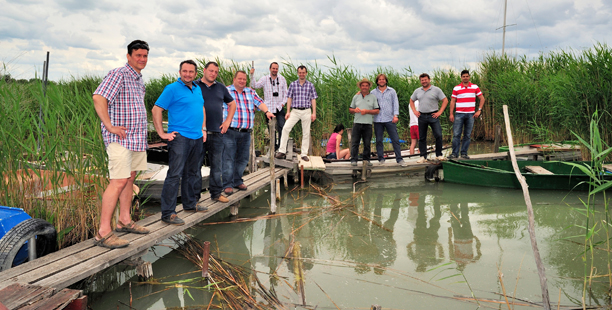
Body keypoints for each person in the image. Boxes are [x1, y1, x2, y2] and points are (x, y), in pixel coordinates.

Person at [92, 40, 150, 248]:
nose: (142, 59)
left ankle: (124, 220)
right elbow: (99, 97)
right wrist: (109, 126)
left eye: (145, 56)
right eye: (138, 55)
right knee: (117, 180)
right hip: (120, 138)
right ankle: (103, 232)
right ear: (129, 56)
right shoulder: (119, 74)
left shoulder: (138, 79)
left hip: (136, 138)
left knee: (130, 177)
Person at [152, 60, 208, 226]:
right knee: (175, 174)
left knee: (193, 172)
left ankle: (190, 204)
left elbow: (202, 108)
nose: (188, 74)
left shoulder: (197, 88)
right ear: (179, 72)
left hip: (197, 137)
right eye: (185, 71)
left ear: (195, 74)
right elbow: (156, 109)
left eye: (191, 72)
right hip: (180, 138)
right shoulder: (172, 89)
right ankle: (168, 213)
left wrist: (203, 129)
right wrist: (162, 133)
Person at [223, 71, 275, 195]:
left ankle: (237, 180)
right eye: (239, 79)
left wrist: (267, 111)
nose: (242, 81)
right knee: (228, 158)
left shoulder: (251, 92)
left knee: (243, 158)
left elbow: (260, 103)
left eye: (244, 79)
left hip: (246, 132)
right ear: (234, 79)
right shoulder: (226, 91)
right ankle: (227, 184)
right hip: (230, 131)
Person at [194, 62, 236, 203]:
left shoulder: (220, 87)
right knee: (196, 166)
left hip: (217, 133)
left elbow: (232, 104)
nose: (213, 74)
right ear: (204, 70)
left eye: (216, 72)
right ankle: (194, 197)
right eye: (211, 71)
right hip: (198, 133)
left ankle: (216, 194)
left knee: (217, 166)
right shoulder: (194, 85)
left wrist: (227, 122)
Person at [275, 65, 318, 162]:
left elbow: (313, 99)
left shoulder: (310, 85)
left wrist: (314, 113)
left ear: (306, 73)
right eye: (300, 72)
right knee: (286, 128)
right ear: (298, 73)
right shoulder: (293, 84)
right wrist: (288, 111)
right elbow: (289, 98)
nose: (301, 74)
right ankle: (282, 151)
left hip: (306, 110)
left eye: (303, 72)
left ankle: (304, 154)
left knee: (306, 133)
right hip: (295, 111)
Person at [409, 73, 448, 163]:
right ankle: (423, 156)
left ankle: (439, 155)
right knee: (422, 137)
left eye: (425, 79)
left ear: (429, 80)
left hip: (433, 115)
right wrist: (415, 111)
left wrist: (440, 112)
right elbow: (411, 100)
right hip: (422, 116)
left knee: (438, 135)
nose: (424, 81)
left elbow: (445, 100)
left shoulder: (436, 90)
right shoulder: (417, 91)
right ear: (420, 81)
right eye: (422, 80)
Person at [250, 62, 288, 151]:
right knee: (271, 128)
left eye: (276, 68)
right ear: (270, 69)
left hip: (279, 107)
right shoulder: (265, 79)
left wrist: (283, 104)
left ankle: (281, 147)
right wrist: (252, 75)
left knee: (282, 127)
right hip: (269, 109)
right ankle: (273, 147)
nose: (275, 70)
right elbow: (254, 85)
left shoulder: (282, 79)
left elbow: (286, 94)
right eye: (273, 68)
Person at [371, 74, 406, 166]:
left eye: (383, 79)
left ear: (386, 81)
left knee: (395, 139)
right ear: (377, 81)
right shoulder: (373, 92)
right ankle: (381, 159)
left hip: (390, 119)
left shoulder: (392, 91)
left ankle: (399, 159)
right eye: (379, 79)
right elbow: (368, 101)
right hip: (377, 120)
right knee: (378, 140)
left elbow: (395, 103)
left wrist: (395, 115)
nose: (381, 81)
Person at [449, 70, 485, 159]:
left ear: (469, 77)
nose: (465, 78)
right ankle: (454, 153)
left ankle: (464, 153)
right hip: (459, 114)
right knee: (456, 134)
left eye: (467, 76)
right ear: (461, 77)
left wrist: (479, 110)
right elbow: (452, 101)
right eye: (463, 76)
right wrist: (451, 114)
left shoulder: (475, 87)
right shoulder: (456, 88)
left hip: (471, 115)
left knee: (467, 135)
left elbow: (482, 99)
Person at [349, 78, 380, 166]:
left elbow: (377, 111)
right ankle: (354, 159)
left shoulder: (373, 97)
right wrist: (355, 110)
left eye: (366, 86)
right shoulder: (356, 96)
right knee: (355, 142)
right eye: (363, 86)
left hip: (368, 124)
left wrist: (367, 111)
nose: (365, 87)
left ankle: (366, 160)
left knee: (367, 143)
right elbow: (350, 109)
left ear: (369, 87)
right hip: (357, 123)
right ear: (360, 87)